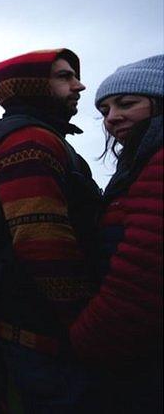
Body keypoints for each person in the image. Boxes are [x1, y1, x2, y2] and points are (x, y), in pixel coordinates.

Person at [0, 48, 103, 411]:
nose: (79, 85)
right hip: (49, 337)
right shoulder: (29, 143)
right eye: (64, 77)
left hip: (40, 332)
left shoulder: (34, 137)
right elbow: (42, 243)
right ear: (33, 85)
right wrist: (88, 325)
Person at [70, 54, 163, 412]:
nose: (112, 118)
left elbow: (145, 270)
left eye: (127, 104)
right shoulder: (140, 162)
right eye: (105, 109)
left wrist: (85, 339)